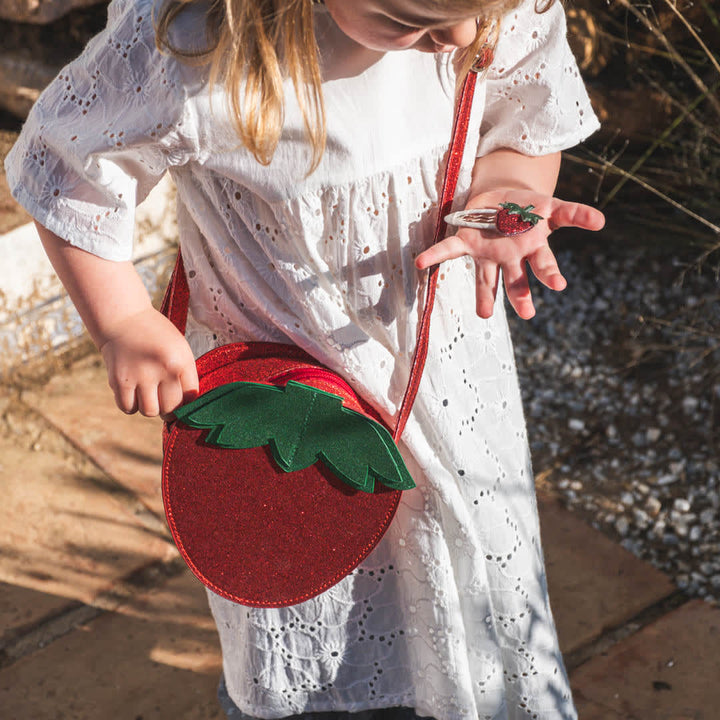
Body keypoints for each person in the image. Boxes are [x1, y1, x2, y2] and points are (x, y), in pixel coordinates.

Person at [5, 0, 606, 717]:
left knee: (465, 593)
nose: (461, 39)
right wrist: (122, 320)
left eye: (481, 13)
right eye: (408, 18)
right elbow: (66, 163)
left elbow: (522, 112)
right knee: (303, 598)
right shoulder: (193, 46)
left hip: (447, 388)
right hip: (289, 423)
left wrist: (509, 187)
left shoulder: (491, 12)